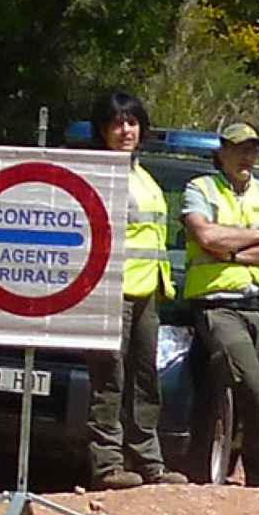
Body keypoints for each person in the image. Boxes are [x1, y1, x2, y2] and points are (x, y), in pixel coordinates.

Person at [181, 122, 259, 489]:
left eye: (252, 149)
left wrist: (233, 253)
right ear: (222, 153)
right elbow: (204, 235)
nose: (246, 156)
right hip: (218, 306)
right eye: (238, 148)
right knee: (252, 388)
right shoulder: (200, 188)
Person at [85, 91, 188, 489]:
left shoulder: (142, 175)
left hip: (147, 290)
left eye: (131, 122)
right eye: (116, 123)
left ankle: (149, 462)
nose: (125, 130)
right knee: (109, 379)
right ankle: (107, 465)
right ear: (102, 130)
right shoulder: (99, 174)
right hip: (110, 289)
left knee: (146, 380)